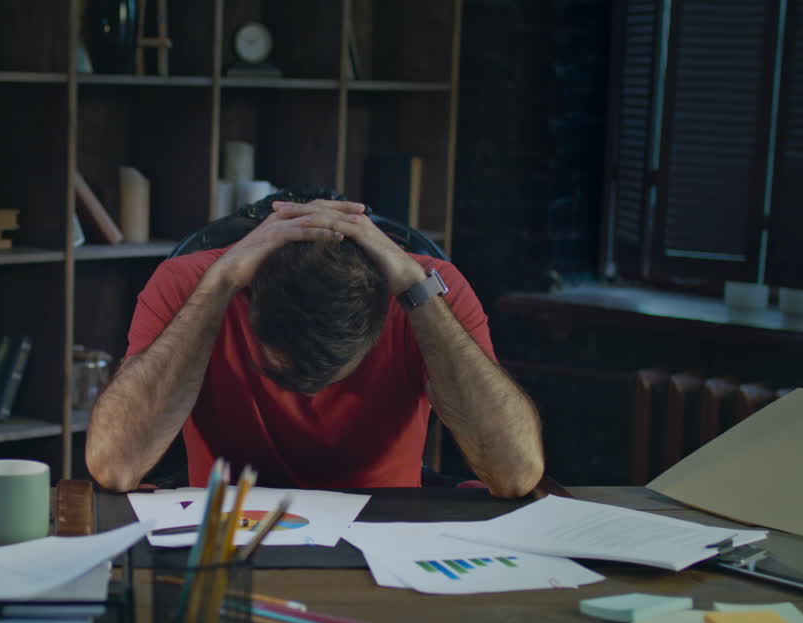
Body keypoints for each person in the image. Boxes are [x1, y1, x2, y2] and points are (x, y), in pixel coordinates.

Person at [85, 195, 544, 498]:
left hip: (385, 530)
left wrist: (413, 287)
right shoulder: (190, 283)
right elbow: (114, 466)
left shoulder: (428, 290)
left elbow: (516, 472)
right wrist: (220, 283)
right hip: (226, 532)